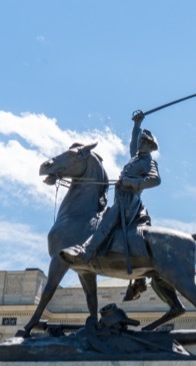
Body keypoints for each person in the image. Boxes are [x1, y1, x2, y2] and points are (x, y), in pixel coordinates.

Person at [61, 111, 159, 265]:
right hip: (121, 199)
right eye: (140, 141)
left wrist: (131, 182)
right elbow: (133, 143)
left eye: (143, 142)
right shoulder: (136, 157)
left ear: (150, 145)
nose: (139, 144)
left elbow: (155, 180)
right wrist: (137, 124)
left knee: (106, 222)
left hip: (129, 203)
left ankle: (86, 252)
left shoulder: (148, 162)